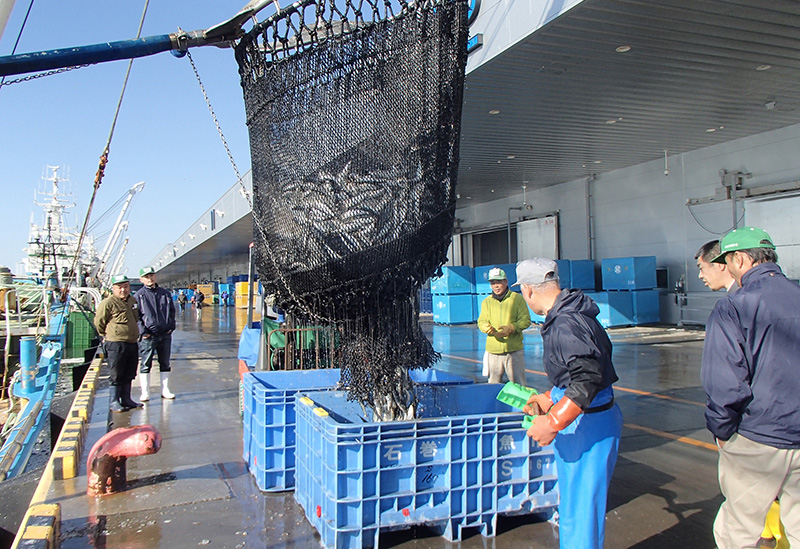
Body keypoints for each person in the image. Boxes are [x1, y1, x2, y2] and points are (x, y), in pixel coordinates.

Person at [701, 226, 800, 549]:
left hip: (758, 438)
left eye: (727, 262)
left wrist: (722, 430)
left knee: (738, 532)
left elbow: (726, 385)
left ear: (740, 259)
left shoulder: (734, 307)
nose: (726, 270)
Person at [517, 258, 623, 549]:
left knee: (581, 512)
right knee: (576, 508)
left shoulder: (565, 323)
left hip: (587, 425)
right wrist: (550, 397)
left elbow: (587, 378)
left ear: (528, 291)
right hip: (587, 418)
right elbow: (580, 372)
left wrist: (553, 421)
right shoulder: (571, 313)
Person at [94, 275, 142, 412]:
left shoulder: (132, 300)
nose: (123, 290)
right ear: (114, 289)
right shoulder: (108, 303)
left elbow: (135, 317)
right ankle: (114, 401)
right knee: (116, 372)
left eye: (126, 286)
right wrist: (105, 334)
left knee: (129, 371)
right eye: (119, 287)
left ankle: (126, 399)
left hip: (131, 342)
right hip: (116, 343)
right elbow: (99, 322)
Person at [476, 267, 531, 384]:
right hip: (493, 352)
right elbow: (481, 321)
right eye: (493, 283)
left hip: (514, 351)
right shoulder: (487, 302)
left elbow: (525, 320)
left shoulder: (517, 299)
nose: (496, 286)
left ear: (506, 282)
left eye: (499, 282)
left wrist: (512, 328)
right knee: (493, 385)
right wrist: (485, 327)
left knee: (519, 385)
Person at [135, 266, 177, 401]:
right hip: (148, 336)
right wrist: (143, 332)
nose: (150, 278)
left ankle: (165, 389)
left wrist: (171, 326)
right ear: (141, 279)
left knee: (165, 362)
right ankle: (145, 392)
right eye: (146, 276)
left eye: (152, 275)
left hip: (165, 334)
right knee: (146, 363)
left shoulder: (165, 293)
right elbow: (136, 316)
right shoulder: (139, 296)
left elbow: (171, 311)